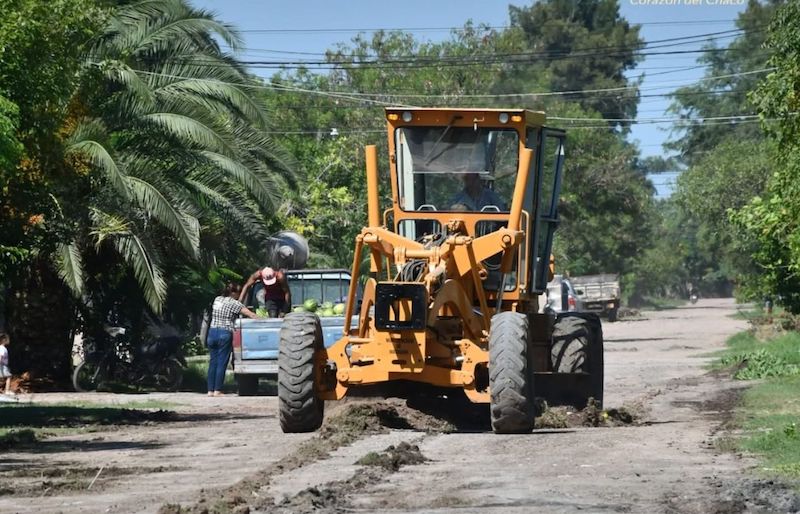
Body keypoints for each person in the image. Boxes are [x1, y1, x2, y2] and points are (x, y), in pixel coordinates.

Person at [207, 282, 259, 397]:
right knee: (222, 363)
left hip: (212, 332)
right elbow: (251, 315)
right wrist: (262, 319)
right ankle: (217, 390)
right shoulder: (234, 304)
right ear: (233, 292)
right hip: (224, 333)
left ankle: (210, 390)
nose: (239, 295)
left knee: (213, 362)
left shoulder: (217, 299)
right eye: (238, 293)